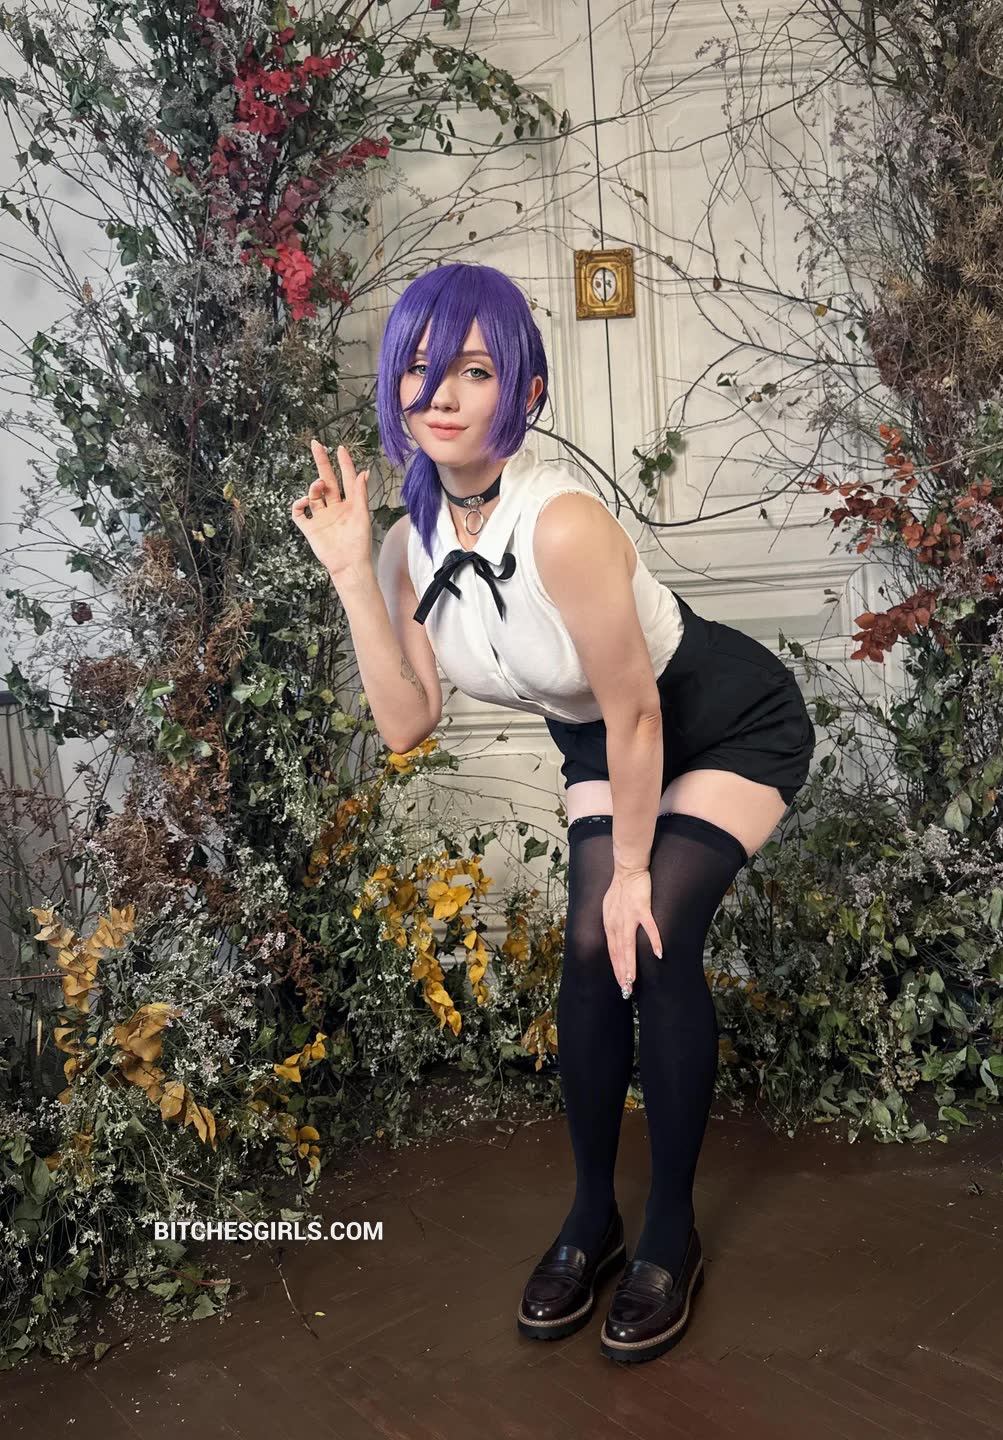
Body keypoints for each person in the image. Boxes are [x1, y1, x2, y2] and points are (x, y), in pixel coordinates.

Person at [290, 262, 815, 1365]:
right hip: (604, 738)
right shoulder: (407, 545)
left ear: (524, 392)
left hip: (715, 719)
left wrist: (632, 873)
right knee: (587, 950)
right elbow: (406, 723)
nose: (440, 392)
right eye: (419, 368)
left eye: (474, 369)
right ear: (395, 390)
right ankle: (592, 1216)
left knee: (650, 934)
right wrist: (351, 575)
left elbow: (639, 711)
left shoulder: (563, 524)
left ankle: (669, 1229)